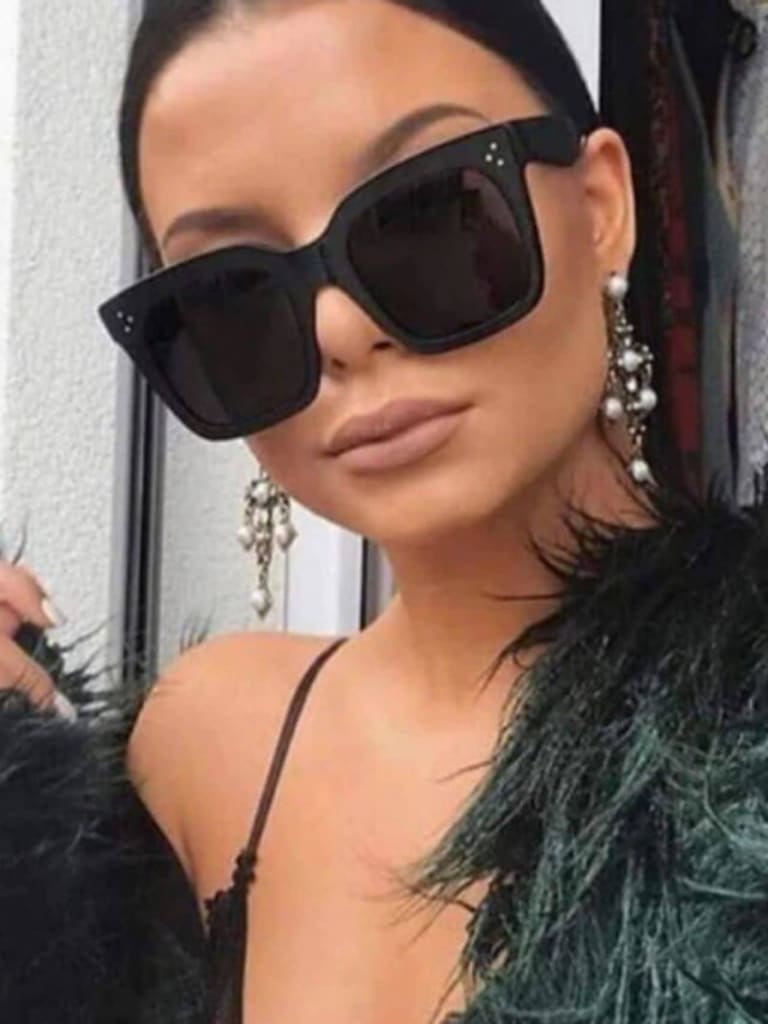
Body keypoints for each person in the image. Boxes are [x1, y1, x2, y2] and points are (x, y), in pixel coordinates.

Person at [1, 2, 768, 1022]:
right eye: (235, 296)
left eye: (429, 215)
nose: (339, 327)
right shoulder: (201, 743)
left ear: (600, 208)